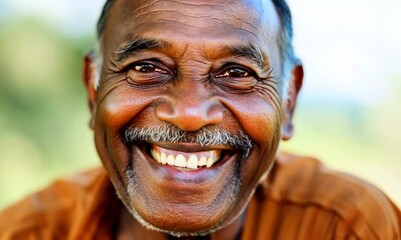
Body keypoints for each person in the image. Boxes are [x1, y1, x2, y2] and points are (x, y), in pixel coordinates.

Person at [0, 0, 400, 239]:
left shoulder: (348, 227)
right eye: (147, 67)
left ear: (289, 99)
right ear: (93, 89)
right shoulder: (27, 232)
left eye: (237, 73)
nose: (190, 113)